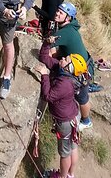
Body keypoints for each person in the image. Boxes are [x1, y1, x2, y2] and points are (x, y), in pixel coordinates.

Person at [35, 42, 86, 178]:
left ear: (70, 68)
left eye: (66, 60)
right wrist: (47, 43)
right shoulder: (65, 72)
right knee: (73, 147)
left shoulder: (65, 84)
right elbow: (44, 57)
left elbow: (48, 96)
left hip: (65, 122)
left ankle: (62, 176)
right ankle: (70, 174)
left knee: (65, 153)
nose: (62, 58)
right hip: (73, 116)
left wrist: (45, 75)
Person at [49, 2, 93, 131]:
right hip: (78, 63)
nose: (57, 13)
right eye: (58, 10)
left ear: (68, 18)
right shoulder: (69, 29)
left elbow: (48, 46)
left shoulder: (66, 32)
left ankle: (86, 121)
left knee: (82, 97)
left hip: (80, 70)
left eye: (61, 13)